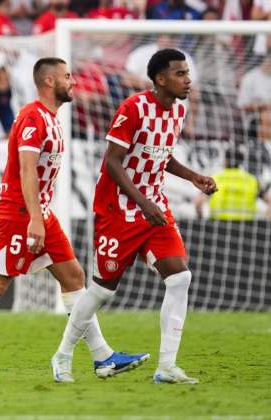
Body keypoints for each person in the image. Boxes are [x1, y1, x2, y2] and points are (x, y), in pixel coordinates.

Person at [0, 57, 148, 385]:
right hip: (20, 214)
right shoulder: (32, 117)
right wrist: (35, 220)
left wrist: (42, 216)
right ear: (50, 82)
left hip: (40, 212)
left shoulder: (52, 119)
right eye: (68, 77)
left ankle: (103, 357)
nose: (74, 82)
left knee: (73, 276)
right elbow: (26, 170)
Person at [55, 49, 218, 385]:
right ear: (160, 78)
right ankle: (63, 354)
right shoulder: (134, 108)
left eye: (187, 73)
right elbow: (113, 162)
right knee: (102, 290)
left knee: (179, 278)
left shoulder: (178, 110)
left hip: (153, 207)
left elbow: (160, 155)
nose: (188, 79)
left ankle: (167, 367)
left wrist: (193, 177)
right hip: (119, 210)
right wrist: (143, 203)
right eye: (180, 73)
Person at [195, 147, 271, 221]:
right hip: (246, 228)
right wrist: (266, 221)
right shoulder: (252, 180)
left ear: (225, 161)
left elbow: (198, 202)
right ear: (241, 162)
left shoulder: (215, 179)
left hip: (218, 227)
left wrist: (200, 219)